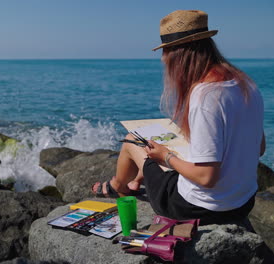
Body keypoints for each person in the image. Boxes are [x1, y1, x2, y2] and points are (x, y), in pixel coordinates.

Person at [92, 10, 265, 225]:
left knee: (131, 141)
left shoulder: (206, 97)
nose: (164, 60)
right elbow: (259, 148)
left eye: (165, 53)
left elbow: (206, 177)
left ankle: (118, 185)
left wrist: (166, 157)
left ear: (178, 55)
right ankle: (136, 180)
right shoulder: (246, 85)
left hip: (198, 208)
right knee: (173, 150)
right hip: (242, 203)